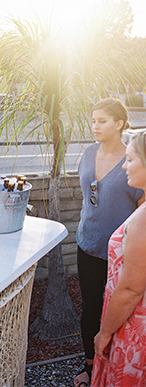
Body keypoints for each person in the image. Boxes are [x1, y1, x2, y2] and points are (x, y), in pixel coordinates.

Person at [74, 98, 144, 387]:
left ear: (119, 123)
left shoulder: (137, 156)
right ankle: (91, 368)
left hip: (124, 256)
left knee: (119, 309)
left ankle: (117, 365)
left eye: (102, 121)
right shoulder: (89, 152)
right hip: (87, 244)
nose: (95, 126)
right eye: (93, 120)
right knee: (91, 308)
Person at [92, 129, 146, 386]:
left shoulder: (144, 220)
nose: (123, 166)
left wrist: (104, 333)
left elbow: (130, 289)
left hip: (134, 323)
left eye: (130, 159)